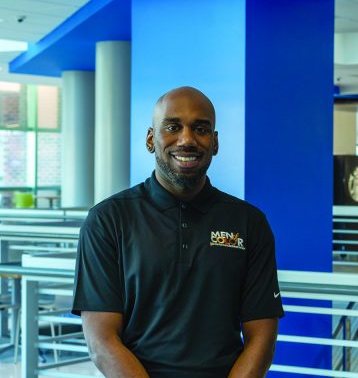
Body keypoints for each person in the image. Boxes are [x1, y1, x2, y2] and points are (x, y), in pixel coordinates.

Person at [72, 87, 284, 378]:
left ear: (215, 142)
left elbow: (261, 336)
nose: (187, 140)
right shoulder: (108, 220)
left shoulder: (249, 222)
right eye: (172, 127)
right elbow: (102, 341)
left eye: (201, 129)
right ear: (151, 139)